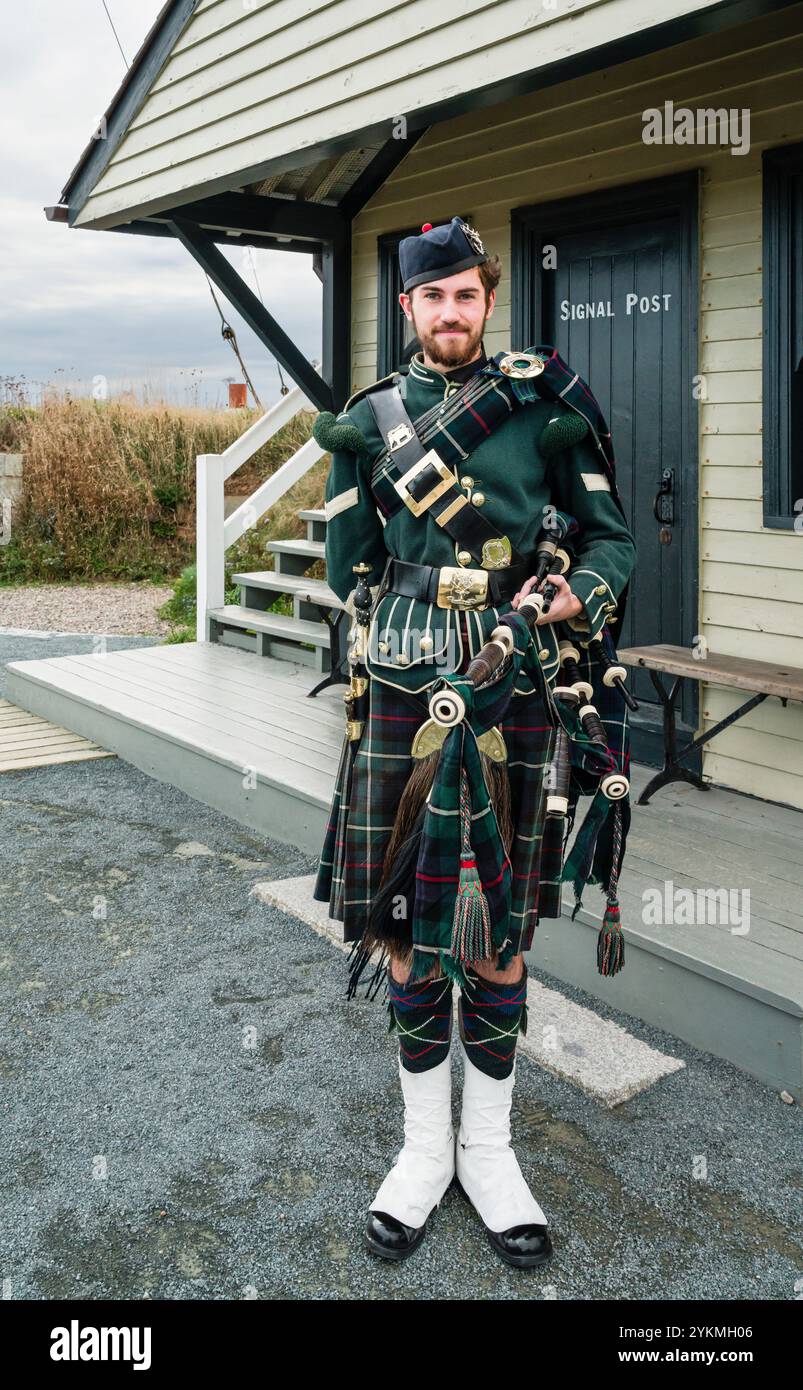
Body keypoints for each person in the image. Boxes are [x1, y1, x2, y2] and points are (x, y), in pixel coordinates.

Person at [312, 217, 637, 1268]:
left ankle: (488, 1150)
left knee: (497, 932)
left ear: (487, 300)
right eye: (430, 297)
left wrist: (563, 596)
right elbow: (344, 566)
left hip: (517, 680)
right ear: (404, 307)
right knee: (407, 928)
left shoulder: (545, 408)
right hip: (401, 688)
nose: (449, 313)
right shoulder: (369, 425)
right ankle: (420, 1150)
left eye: (465, 295)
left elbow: (612, 542)